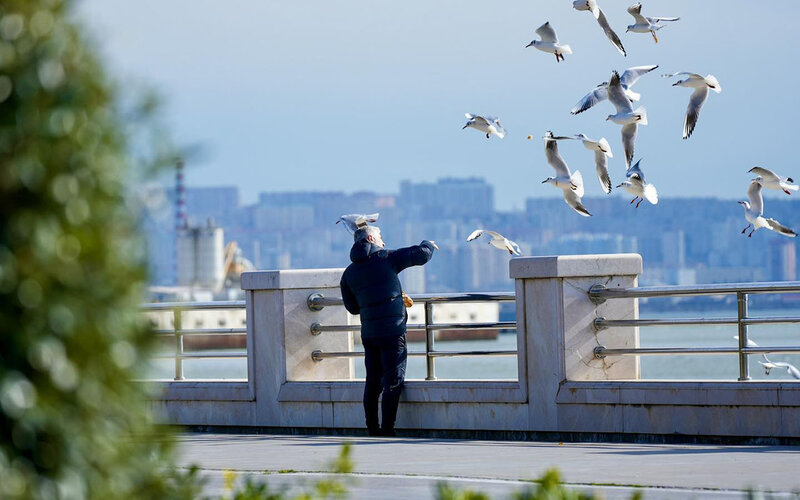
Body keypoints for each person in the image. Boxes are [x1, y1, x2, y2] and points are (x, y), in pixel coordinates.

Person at [340, 225, 436, 436]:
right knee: (393, 381)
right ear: (372, 238)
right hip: (393, 332)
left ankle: (372, 429)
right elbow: (421, 255)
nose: (384, 242)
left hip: (369, 334)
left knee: (372, 382)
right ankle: (387, 429)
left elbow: (353, 308)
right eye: (381, 237)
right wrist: (429, 244)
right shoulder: (386, 258)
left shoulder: (348, 273)